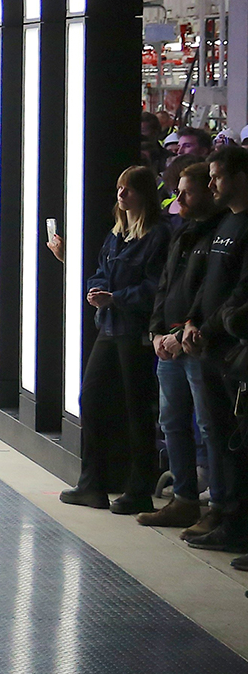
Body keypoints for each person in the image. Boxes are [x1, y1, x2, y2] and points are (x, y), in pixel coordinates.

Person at [60, 165, 171, 513]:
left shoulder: (157, 235)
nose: (121, 195)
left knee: (136, 407)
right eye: (119, 188)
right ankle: (92, 482)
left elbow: (156, 287)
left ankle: (137, 487)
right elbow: (101, 271)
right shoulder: (116, 235)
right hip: (109, 325)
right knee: (91, 398)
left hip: (134, 329)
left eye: (129, 189)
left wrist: (117, 298)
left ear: (144, 195)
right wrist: (97, 290)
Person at [175, 146, 248, 554]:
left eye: (218, 177)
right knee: (220, 435)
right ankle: (230, 520)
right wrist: (190, 321)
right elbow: (205, 283)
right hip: (208, 344)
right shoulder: (226, 224)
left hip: (230, 347)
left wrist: (210, 326)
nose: (212, 184)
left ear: (239, 177)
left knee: (230, 441)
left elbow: (239, 291)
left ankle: (234, 520)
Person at [139, 162, 219, 529]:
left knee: (209, 425)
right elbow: (165, 285)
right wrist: (156, 332)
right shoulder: (181, 232)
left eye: (188, 191)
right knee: (171, 421)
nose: (180, 198)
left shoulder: (220, 233)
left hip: (196, 344)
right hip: (168, 344)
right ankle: (184, 498)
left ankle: (219, 503)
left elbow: (209, 293)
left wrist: (182, 331)